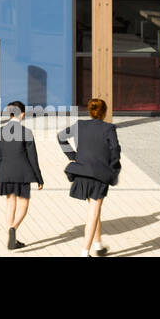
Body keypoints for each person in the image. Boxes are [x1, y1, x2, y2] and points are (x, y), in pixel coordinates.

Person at [58, 97, 120, 257]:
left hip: (81, 172)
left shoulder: (80, 125)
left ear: (90, 111)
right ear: (104, 112)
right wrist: (113, 169)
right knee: (93, 211)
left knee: (94, 208)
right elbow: (115, 151)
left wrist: (72, 156)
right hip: (99, 175)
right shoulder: (109, 128)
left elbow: (61, 137)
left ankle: (98, 246)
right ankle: (85, 252)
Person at [0, 100, 43, 250]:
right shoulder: (26, 132)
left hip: (6, 172)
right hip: (23, 173)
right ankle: (13, 228)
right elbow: (33, 158)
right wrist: (39, 178)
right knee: (24, 203)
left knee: (10, 203)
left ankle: (11, 233)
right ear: (21, 114)